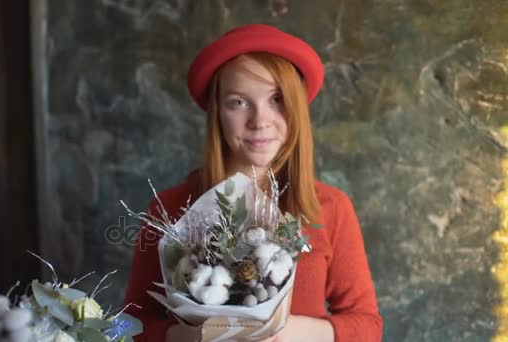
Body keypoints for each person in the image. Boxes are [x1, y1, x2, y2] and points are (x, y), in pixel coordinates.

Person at [123, 24, 382, 342]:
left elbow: (368, 327)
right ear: (217, 111)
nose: (260, 121)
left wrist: (285, 333)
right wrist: (196, 337)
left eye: (277, 99)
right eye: (238, 102)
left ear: (297, 109)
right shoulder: (169, 209)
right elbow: (130, 325)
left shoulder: (331, 207)